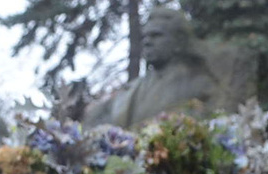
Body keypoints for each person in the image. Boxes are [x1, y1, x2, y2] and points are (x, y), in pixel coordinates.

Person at [83, 8, 225, 131]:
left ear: (179, 42)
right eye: (145, 36)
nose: (147, 41)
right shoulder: (130, 90)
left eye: (156, 35)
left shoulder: (200, 84)